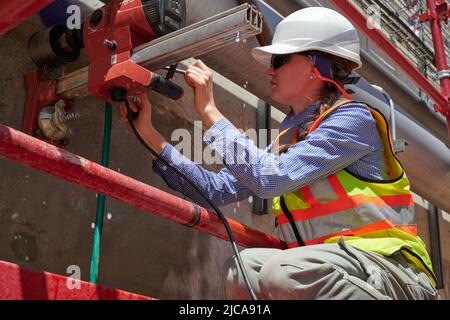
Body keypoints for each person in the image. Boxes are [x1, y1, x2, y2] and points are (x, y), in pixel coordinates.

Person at [120, 7, 438, 300]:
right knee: (242, 271)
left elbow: (270, 179)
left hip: (391, 273)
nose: (270, 70)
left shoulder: (353, 120)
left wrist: (210, 112)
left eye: (280, 60)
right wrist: (148, 132)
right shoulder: (289, 137)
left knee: (280, 272)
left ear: (318, 66)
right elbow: (214, 190)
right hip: (329, 273)